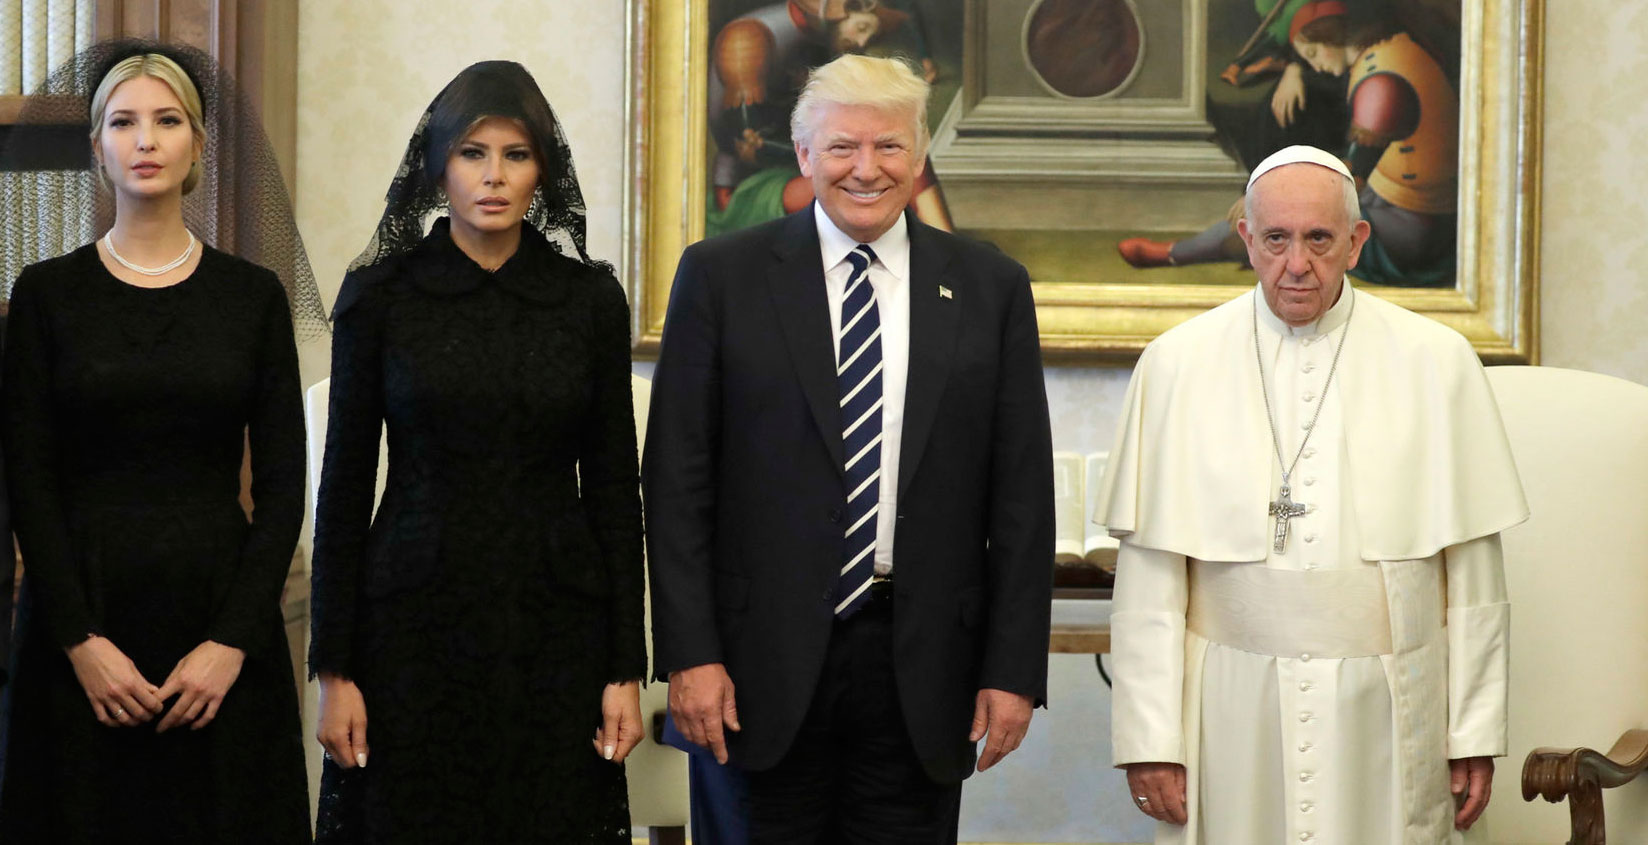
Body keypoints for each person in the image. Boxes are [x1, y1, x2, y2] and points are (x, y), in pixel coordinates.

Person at [646, 53, 1054, 843]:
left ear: (920, 155)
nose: (866, 169)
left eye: (889, 145)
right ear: (803, 155)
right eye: (842, 147)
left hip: (923, 670)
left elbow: (1021, 497)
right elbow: (675, 486)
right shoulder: (722, 277)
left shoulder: (990, 285)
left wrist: (1012, 671)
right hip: (752, 671)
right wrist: (690, 655)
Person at [1095, 145, 1526, 844]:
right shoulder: (1176, 364)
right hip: (1229, 713)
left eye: (1319, 239)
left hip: (1389, 707)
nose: (1296, 264)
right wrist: (1150, 738)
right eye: (1276, 239)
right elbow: (1150, 580)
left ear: (1356, 242)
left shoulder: (1435, 360)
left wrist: (1473, 729)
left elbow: (1475, 574)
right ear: (1246, 239)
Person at [307, 60, 645, 844]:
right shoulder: (381, 295)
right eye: (472, 153)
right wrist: (334, 670)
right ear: (437, 168)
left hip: (557, 627)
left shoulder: (590, 300)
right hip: (411, 627)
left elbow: (614, 493)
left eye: (515, 154)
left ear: (542, 172)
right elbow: (343, 490)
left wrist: (626, 668)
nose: (494, 175)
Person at [0, 41, 321, 843]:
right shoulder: (45, 295)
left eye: (167, 120)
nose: (145, 139)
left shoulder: (252, 297)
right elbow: (27, 480)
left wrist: (231, 642)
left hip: (218, 621)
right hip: (80, 620)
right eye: (123, 122)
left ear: (197, 145)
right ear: (97, 148)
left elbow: (285, 486)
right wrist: (80, 643)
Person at [1120, 2, 1460, 287]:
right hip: (1395, 201)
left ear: (1331, 36)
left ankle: (1174, 254)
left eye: (1312, 53)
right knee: (1277, 218)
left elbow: (1350, 179)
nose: (1313, 64)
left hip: (1410, 232)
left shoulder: (1380, 81)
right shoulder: (1389, 51)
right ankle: (1179, 251)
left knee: (1277, 222)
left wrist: (1270, 196)